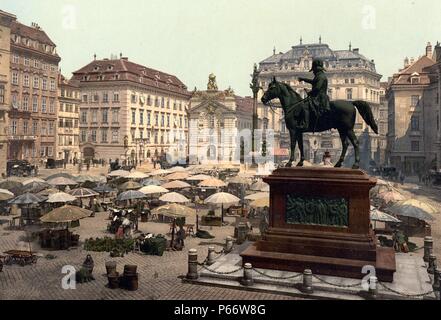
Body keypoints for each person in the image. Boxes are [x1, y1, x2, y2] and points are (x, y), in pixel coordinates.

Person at [298, 59, 331, 130]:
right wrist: (303, 79)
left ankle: (305, 124)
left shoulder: (321, 76)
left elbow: (317, 88)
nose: (313, 72)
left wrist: (309, 92)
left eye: (313, 70)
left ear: (316, 69)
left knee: (305, 106)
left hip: (319, 98)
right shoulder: (319, 75)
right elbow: (313, 82)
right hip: (318, 96)